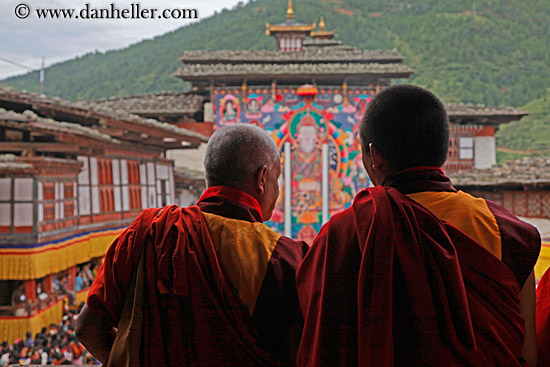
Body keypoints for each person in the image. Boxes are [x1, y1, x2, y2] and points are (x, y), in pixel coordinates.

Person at [296, 85, 541, 366]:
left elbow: (322, 341)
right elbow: (527, 354)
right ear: (444, 151)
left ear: (374, 156)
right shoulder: (504, 230)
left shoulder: (344, 233)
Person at [76, 124, 309, 366]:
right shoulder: (285, 259)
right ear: (262, 178)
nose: (277, 188)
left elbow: (87, 328)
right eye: (276, 178)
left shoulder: (150, 231)